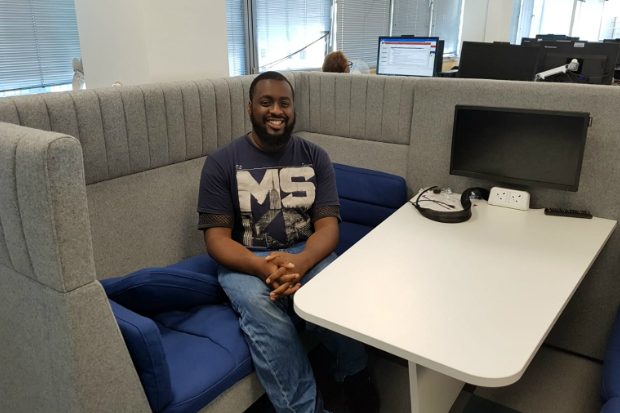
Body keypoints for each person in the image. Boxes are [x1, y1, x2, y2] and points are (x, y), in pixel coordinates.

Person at [197, 71, 379, 413]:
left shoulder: (316, 157)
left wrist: (302, 262)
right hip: (245, 259)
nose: (275, 110)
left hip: (305, 251)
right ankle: (304, 408)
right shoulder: (221, 162)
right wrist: (263, 266)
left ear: (294, 108)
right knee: (261, 307)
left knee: (336, 285)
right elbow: (217, 240)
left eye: (284, 102)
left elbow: (327, 228)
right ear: (250, 107)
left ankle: (354, 374)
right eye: (266, 102)